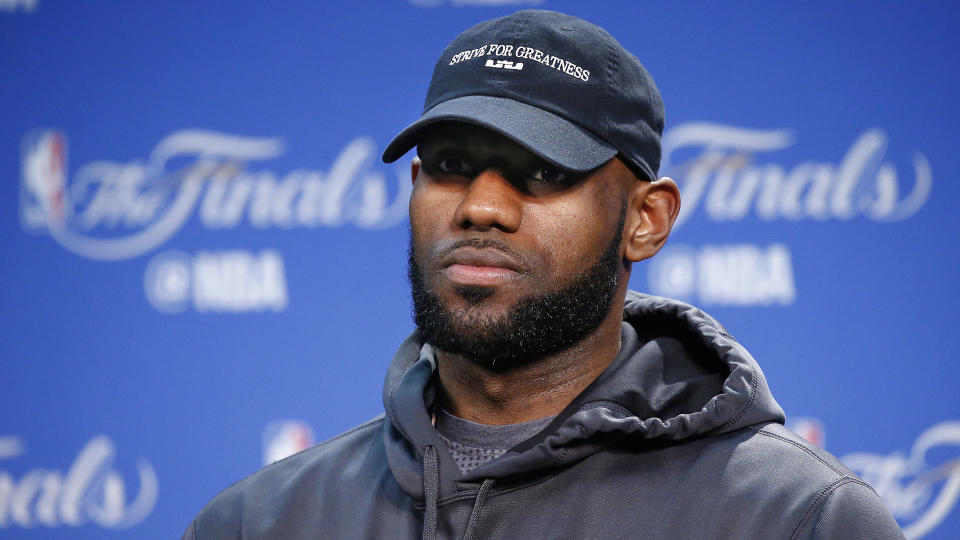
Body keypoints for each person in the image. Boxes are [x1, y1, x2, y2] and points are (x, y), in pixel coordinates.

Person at [182, 9, 904, 539]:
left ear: (646, 219)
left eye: (545, 172)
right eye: (450, 165)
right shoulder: (259, 522)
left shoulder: (798, 519)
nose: (482, 206)